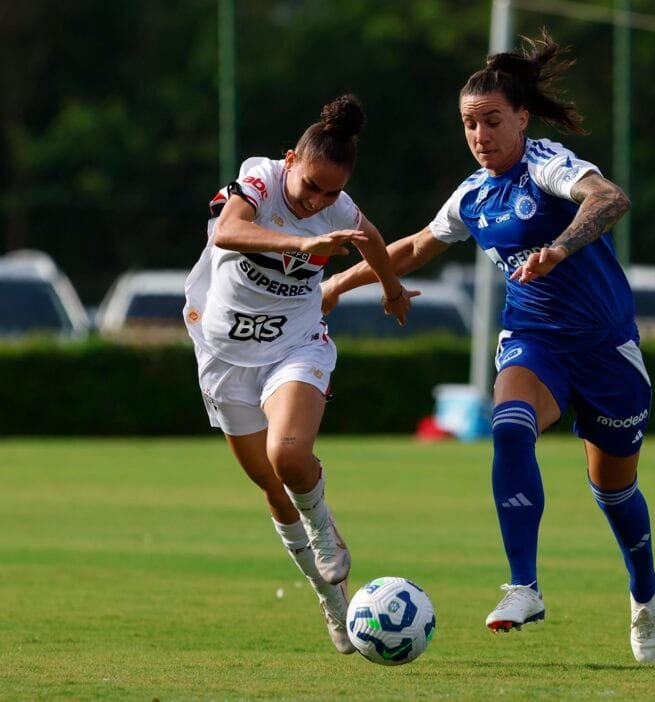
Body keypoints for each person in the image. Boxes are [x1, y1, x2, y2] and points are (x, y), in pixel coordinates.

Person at [322, 31, 655, 664]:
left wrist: (561, 247)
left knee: (615, 491)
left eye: (491, 121)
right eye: (469, 125)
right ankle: (524, 586)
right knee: (509, 427)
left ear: (521, 119)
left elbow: (610, 198)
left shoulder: (547, 164)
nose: (479, 135)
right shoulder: (473, 196)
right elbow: (416, 248)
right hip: (534, 342)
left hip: (605, 349)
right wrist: (341, 283)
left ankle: (645, 593)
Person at [182, 95, 416, 654]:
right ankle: (331, 599)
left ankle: (324, 525)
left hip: (296, 345)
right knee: (269, 483)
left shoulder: (338, 209)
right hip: (222, 353)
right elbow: (228, 233)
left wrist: (389, 288)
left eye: (331, 193)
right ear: (291, 160)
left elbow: (373, 240)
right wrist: (301, 243)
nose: (317, 202)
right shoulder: (258, 181)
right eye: (311, 186)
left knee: (288, 457)